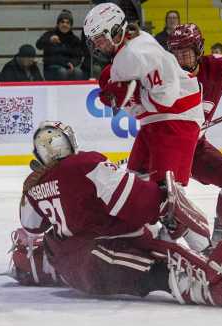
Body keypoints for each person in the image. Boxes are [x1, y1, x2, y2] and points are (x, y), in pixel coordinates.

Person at [3, 120, 222, 308]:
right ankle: (208, 288)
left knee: (168, 252)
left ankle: (35, 267)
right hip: (98, 260)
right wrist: (161, 198)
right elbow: (138, 203)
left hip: (79, 263)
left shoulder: (32, 184)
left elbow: (32, 227)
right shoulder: (88, 164)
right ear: (70, 142)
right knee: (161, 269)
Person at [83, 3, 203, 190]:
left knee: (166, 194)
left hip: (177, 119)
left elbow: (166, 96)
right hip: (156, 122)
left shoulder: (138, 53)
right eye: (93, 40)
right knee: (135, 187)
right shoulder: (130, 46)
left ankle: (182, 220)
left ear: (115, 30)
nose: (96, 45)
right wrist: (124, 86)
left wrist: (132, 95)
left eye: (99, 38)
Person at [168, 24, 222, 250]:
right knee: (164, 202)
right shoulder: (164, 76)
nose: (181, 60)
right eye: (176, 55)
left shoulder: (218, 67)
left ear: (199, 49)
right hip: (168, 151)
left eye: (186, 54)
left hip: (197, 149)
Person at [36, 10, 83, 81]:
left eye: (68, 23)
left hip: (67, 67)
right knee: (62, 71)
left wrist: (72, 63)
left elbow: (77, 56)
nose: (65, 25)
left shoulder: (75, 39)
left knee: (78, 72)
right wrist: (49, 40)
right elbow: (38, 45)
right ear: (58, 23)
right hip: (51, 68)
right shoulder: (49, 34)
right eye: (62, 22)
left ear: (71, 26)